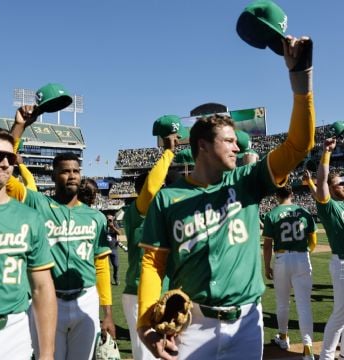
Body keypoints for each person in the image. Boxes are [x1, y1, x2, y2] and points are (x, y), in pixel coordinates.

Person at [137, 35, 315, 360]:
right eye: (229, 141)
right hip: (191, 322)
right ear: (203, 145)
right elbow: (152, 263)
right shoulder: (168, 199)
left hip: (247, 321)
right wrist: (145, 320)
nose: (237, 147)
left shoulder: (247, 180)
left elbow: (298, 146)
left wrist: (301, 83)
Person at [7, 108, 116, 360]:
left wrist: (107, 312)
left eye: (76, 171)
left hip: (85, 298)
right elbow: (5, 170)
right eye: (66, 171)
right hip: (48, 299)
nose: (72, 176)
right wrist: (19, 127)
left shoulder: (95, 217)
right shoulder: (37, 203)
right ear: (54, 174)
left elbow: (101, 266)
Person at [0, 127, 57, 360]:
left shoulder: (29, 217)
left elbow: (42, 287)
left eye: (11, 158)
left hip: (13, 331)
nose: (5, 163)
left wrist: (46, 353)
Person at [122, 118, 182, 360]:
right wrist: (168, 153)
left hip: (166, 293)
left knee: (171, 353)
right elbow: (150, 189)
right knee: (147, 356)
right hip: (139, 293)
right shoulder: (138, 211)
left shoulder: (161, 213)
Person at [262, 183, 317, 360]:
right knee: (304, 305)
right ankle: (308, 347)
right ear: (292, 193)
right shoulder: (305, 212)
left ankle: (284, 337)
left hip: (282, 259)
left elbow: (268, 245)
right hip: (302, 258)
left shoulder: (271, 214)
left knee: (282, 303)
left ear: (276, 195)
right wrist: (305, 253)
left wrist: (267, 266)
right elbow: (312, 239)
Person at [303, 137, 344, 360]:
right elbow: (321, 182)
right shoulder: (330, 207)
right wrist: (327, 152)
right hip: (342, 265)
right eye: (340, 182)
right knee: (340, 314)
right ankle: (327, 356)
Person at [107, 213, 121, 286]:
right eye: (108, 218)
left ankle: (115, 277)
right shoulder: (103, 223)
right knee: (106, 267)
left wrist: (113, 227)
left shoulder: (115, 224)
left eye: (110, 219)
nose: (109, 220)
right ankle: (107, 280)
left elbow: (119, 233)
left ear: (113, 218)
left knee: (116, 265)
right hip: (105, 249)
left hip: (113, 249)